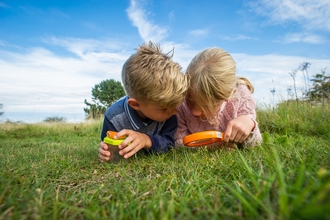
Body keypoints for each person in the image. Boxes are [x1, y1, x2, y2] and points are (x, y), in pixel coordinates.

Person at [98, 42, 188, 163]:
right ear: (135, 105)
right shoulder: (113, 118)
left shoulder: (170, 112)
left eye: (174, 105)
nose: (174, 111)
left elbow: (170, 143)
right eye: (164, 108)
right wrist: (107, 152)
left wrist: (146, 140)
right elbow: (108, 145)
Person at [175, 47, 262, 149]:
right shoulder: (180, 101)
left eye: (207, 106)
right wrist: (214, 145)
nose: (195, 112)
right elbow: (178, 142)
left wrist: (249, 123)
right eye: (190, 100)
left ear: (227, 96)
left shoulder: (241, 96)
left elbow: (254, 143)